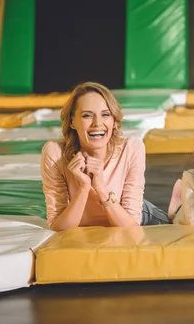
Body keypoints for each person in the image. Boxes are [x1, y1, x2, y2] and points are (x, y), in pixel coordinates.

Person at [41, 82, 170, 231]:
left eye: (105, 114)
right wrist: (84, 187)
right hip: (108, 218)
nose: (97, 123)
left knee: (177, 230)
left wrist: (100, 187)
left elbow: (131, 226)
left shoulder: (131, 149)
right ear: (72, 121)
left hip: (132, 214)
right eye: (87, 115)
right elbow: (58, 227)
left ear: (114, 120)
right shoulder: (55, 154)